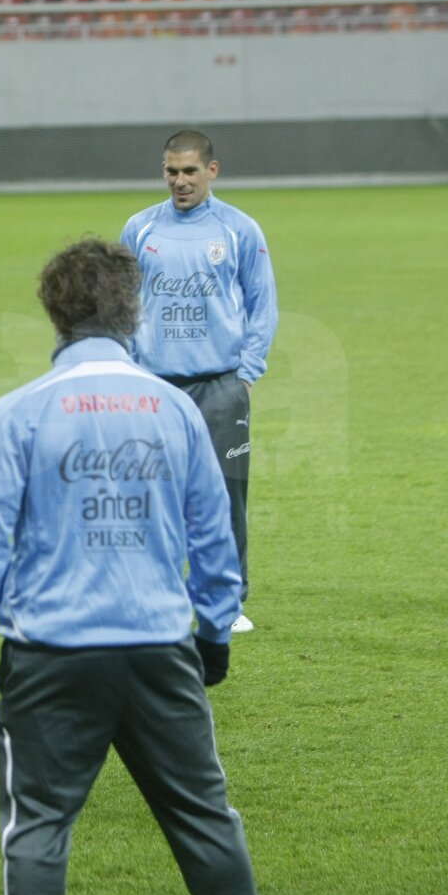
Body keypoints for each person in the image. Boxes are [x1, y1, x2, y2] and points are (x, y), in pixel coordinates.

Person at [0, 238, 267, 895]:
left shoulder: (20, 411)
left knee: (37, 826)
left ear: (53, 312)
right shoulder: (175, 408)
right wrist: (215, 633)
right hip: (159, 646)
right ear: (133, 310)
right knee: (204, 817)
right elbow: (214, 535)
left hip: (51, 652)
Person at [120, 130, 278, 632]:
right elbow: (121, 305)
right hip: (155, 387)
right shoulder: (140, 228)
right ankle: (153, 597)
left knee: (225, 497)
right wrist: (129, 368)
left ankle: (225, 604)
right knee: (148, 496)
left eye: (190, 171)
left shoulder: (239, 229)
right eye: (172, 171)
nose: (180, 181)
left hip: (220, 387)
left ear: (212, 170)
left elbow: (263, 304)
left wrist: (246, 374)